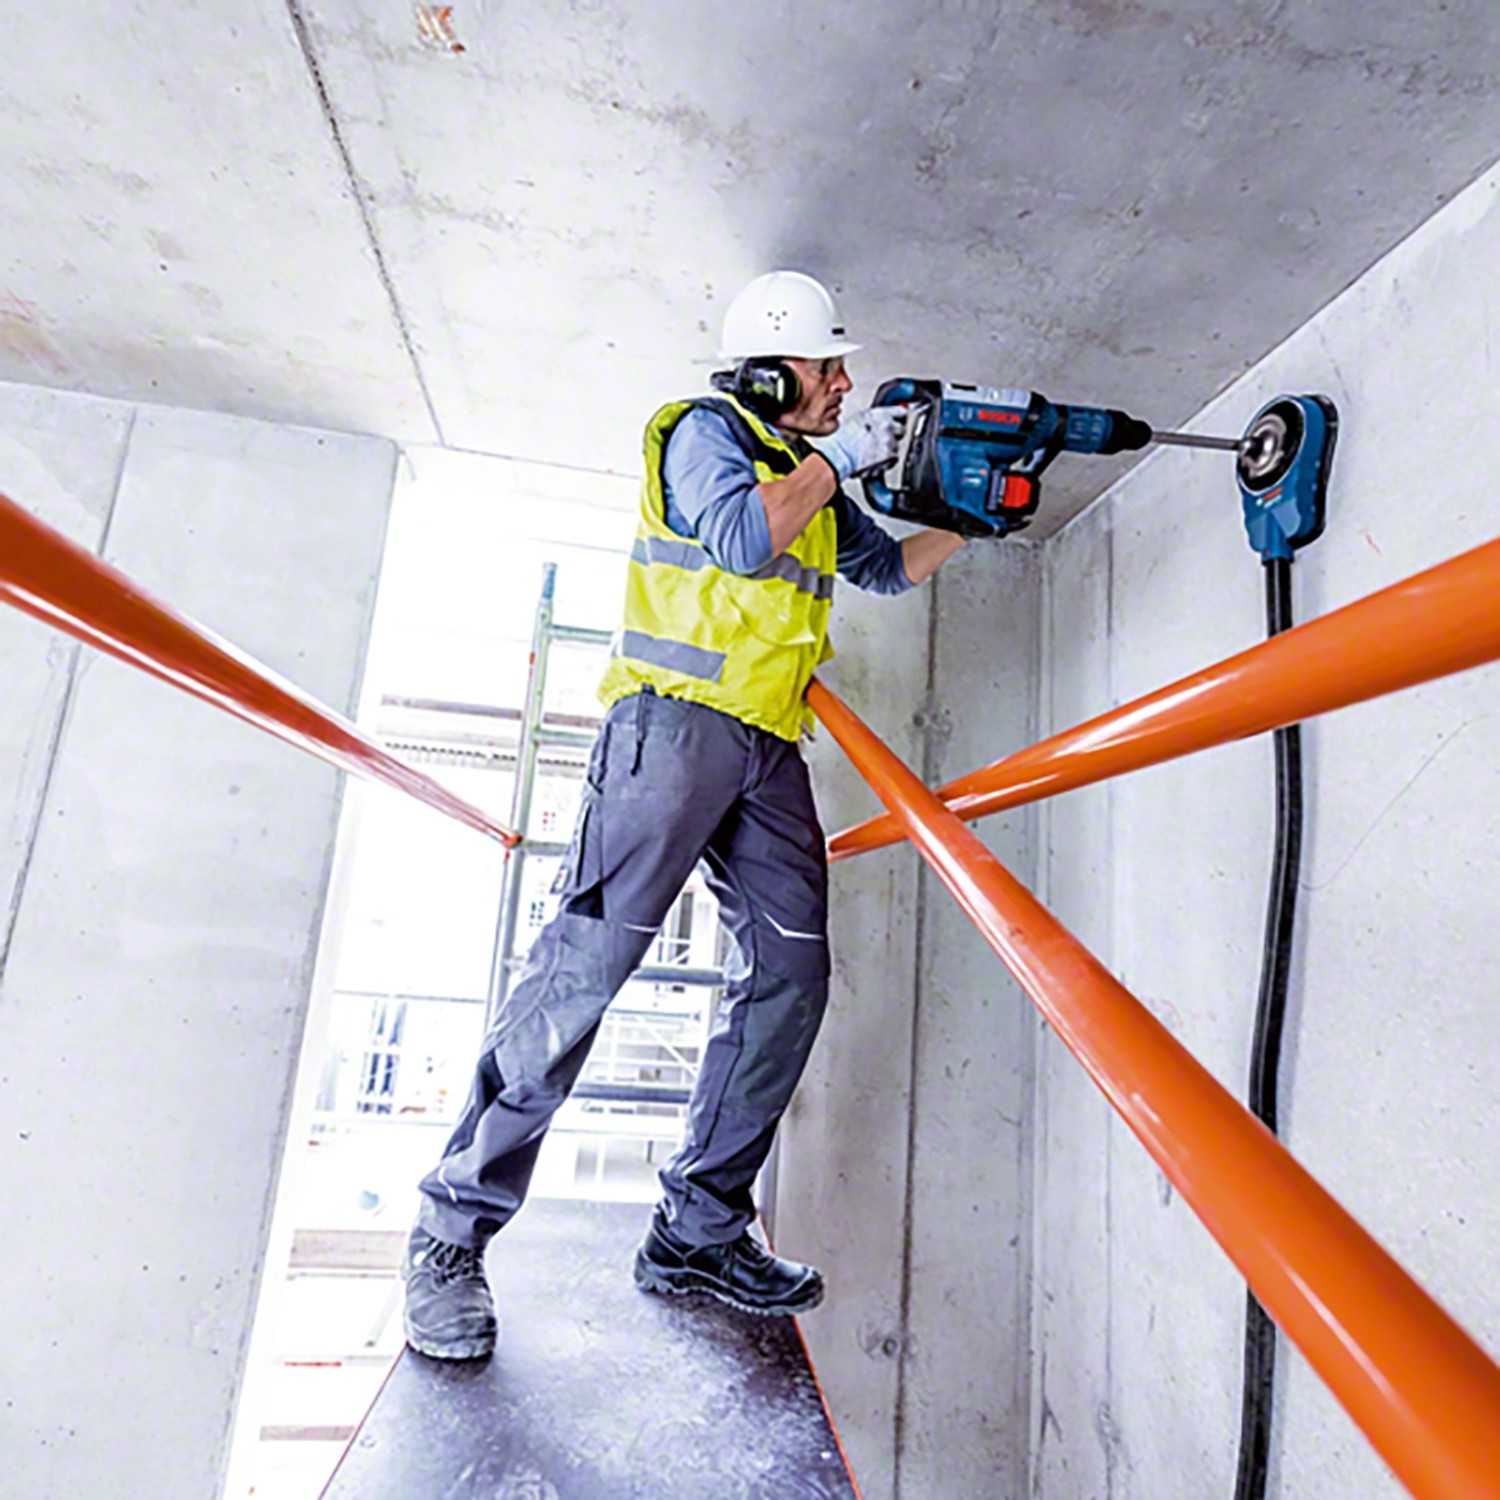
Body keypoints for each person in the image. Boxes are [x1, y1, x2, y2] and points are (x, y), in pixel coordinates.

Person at [402, 270, 967, 1359]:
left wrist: (980, 521)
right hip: (668, 737)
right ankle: (449, 1236)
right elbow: (742, 541)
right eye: (828, 366)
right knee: (579, 984)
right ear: (766, 372)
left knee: (793, 977)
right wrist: (838, 460)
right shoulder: (702, 433)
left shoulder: (810, 481)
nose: (847, 384)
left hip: (766, 749)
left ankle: (698, 1229)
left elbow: (888, 569)